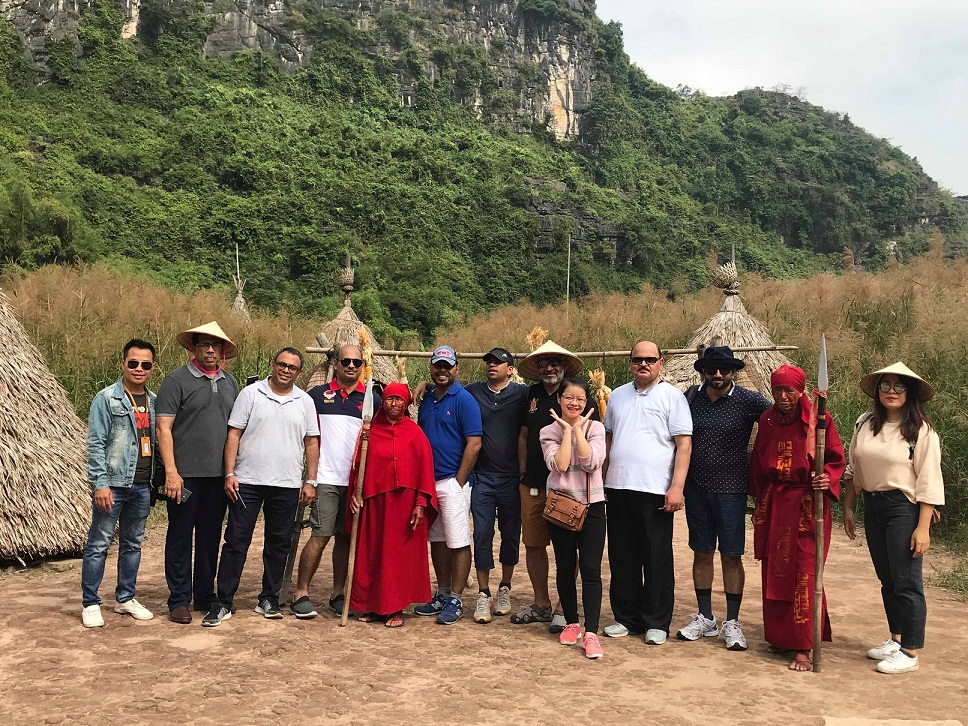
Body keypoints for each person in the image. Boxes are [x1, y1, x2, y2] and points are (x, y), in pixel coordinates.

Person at [203, 348, 319, 626]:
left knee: (279, 544)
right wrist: (229, 472)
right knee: (236, 541)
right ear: (272, 364)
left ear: (299, 372)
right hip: (248, 481)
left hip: (286, 483)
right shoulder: (251, 394)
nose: (286, 370)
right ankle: (224, 601)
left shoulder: (304, 401)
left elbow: (311, 442)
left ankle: (269, 597)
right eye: (282, 364)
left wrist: (310, 480)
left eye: (292, 367)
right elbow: (234, 434)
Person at [842, 363, 944, 674]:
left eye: (899, 386)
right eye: (885, 385)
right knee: (887, 578)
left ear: (910, 392)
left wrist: (922, 528)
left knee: (906, 581)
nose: (891, 391)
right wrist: (849, 506)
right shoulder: (865, 423)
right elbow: (853, 467)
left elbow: (928, 479)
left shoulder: (921, 431)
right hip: (873, 504)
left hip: (904, 507)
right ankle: (896, 638)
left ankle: (910, 652)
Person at [749, 364, 845, 671]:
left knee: (804, 571)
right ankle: (780, 637)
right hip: (776, 504)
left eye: (789, 390)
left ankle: (803, 645)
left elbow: (835, 459)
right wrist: (758, 503)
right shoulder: (766, 419)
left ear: (800, 390)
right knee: (775, 569)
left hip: (806, 504)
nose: (783, 396)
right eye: (777, 390)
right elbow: (758, 463)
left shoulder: (819, 420)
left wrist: (826, 478)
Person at [676, 346, 771, 650]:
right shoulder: (690, 398)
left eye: (724, 369)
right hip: (696, 489)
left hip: (731, 491)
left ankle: (732, 621)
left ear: (733, 372)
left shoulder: (748, 400)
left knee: (731, 555)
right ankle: (705, 617)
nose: (718, 374)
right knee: (701, 552)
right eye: (712, 369)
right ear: (703, 371)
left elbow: (780, 419)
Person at [602, 341, 692, 645]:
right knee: (622, 556)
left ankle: (656, 621)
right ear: (630, 363)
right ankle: (627, 618)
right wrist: (602, 478)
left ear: (661, 363)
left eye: (650, 359)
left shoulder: (672, 397)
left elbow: (683, 445)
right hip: (618, 486)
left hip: (655, 488)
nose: (644, 364)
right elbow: (609, 438)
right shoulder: (617, 395)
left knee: (656, 557)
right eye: (638, 359)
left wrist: (676, 487)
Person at [156, 322, 240, 624]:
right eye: (204, 345)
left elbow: (236, 429)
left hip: (218, 476)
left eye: (216, 346)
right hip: (185, 475)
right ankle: (179, 599)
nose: (210, 350)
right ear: (193, 349)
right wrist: (171, 472)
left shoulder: (231, 383)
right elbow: (163, 428)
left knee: (209, 537)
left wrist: (231, 471)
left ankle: (204, 595)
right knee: (180, 536)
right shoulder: (176, 380)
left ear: (223, 351)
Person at [513, 340, 598, 633]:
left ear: (564, 367)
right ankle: (541, 603)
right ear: (537, 368)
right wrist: (523, 470)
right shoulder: (530, 394)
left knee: (569, 550)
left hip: (570, 490)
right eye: (544, 364)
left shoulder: (581, 398)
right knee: (534, 544)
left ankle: (565, 607)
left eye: (555, 363)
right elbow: (523, 435)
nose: (549, 368)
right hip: (534, 483)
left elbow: (594, 446)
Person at [291, 344, 380, 619]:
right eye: (346, 361)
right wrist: (310, 479)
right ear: (336, 364)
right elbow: (302, 433)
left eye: (357, 362)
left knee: (345, 537)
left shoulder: (371, 399)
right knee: (320, 535)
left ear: (362, 366)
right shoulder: (317, 396)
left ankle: (338, 594)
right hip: (326, 478)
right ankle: (301, 593)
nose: (351, 366)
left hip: (355, 482)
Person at [81, 339, 159, 627]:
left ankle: (126, 597)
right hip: (113, 483)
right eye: (133, 363)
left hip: (142, 484)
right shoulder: (106, 398)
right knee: (99, 543)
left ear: (152, 367)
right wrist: (99, 483)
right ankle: (91, 602)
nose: (139, 369)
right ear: (123, 363)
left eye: (145, 364)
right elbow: (95, 443)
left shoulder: (154, 401)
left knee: (133, 544)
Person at [347, 383, 438, 627]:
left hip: (404, 504)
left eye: (399, 399)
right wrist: (356, 493)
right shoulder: (370, 432)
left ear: (406, 403)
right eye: (389, 399)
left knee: (397, 556)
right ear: (383, 402)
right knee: (372, 554)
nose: (394, 404)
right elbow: (358, 467)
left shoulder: (415, 433)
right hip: (374, 502)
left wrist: (421, 502)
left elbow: (424, 470)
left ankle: (395, 608)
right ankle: (373, 606)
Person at [415, 345, 483, 625]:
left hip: (453, 481)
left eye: (447, 366)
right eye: (438, 366)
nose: (442, 371)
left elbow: (474, 443)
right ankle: (442, 592)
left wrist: (459, 481)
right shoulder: (427, 397)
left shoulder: (464, 400)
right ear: (431, 367)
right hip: (429, 482)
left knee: (458, 541)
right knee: (438, 540)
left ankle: (456, 598)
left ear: (456, 368)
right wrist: (425, 385)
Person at [540, 378, 607, 659]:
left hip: (593, 507)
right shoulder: (547, 432)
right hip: (561, 507)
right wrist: (566, 431)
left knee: (591, 569)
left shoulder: (596, 428)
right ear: (559, 399)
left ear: (586, 401)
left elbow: (592, 463)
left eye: (580, 398)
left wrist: (578, 429)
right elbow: (561, 464)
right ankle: (571, 622)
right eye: (568, 397)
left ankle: (591, 632)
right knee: (565, 566)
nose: (574, 403)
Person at [464, 348, 527, 623]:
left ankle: (505, 587)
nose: (492, 365)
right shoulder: (473, 391)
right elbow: (447, 389)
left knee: (511, 534)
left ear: (510, 369)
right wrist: (425, 384)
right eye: (489, 362)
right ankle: (483, 592)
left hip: (513, 478)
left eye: (498, 362)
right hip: (483, 477)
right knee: (482, 533)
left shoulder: (522, 394)